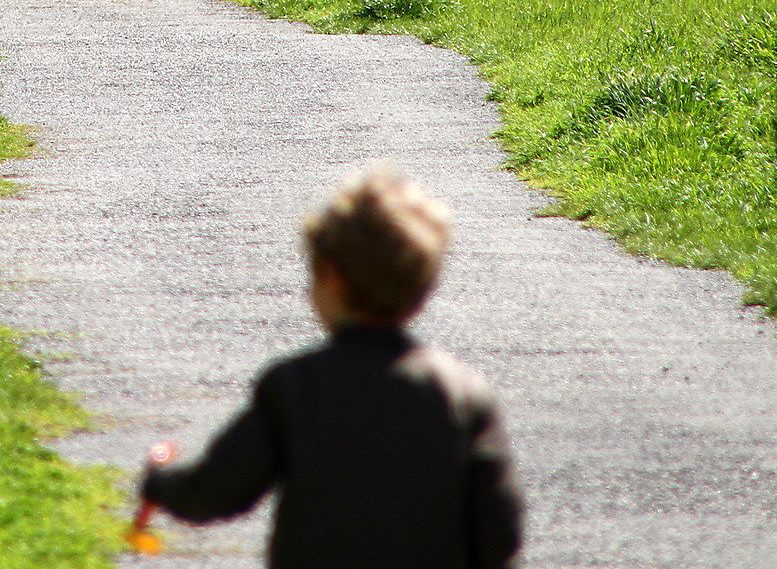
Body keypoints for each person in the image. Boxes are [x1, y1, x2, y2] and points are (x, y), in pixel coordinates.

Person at [135, 168, 524, 569]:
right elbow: (499, 534)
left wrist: (160, 481)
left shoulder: (294, 387)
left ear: (332, 277)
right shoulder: (464, 392)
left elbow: (215, 493)